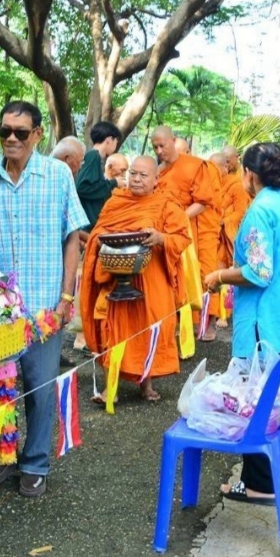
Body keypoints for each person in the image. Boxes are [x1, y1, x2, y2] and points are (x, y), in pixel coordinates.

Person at [0, 100, 88, 497]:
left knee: (39, 389)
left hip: (44, 308)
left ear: (38, 134)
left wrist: (66, 297)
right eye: (5, 131)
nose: (12, 139)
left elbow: (72, 236)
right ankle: (2, 459)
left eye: (21, 132)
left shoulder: (57, 176)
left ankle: (35, 463)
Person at [204, 143, 280, 504]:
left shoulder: (261, 210)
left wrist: (219, 276)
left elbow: (258, 272)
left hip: (267, 320)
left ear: (249, 175)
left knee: (258, 401)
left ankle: (259, 483)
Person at [80, 156, 191, 402]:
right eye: (133, 173)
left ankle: (146, 385)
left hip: (152, 280)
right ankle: (111, 388)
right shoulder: (116, 201)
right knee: (114, 329)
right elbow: (99, 231)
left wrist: (161, 238)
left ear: (156, 179)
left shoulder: (165, 204)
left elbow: (182, 237)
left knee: (150, 328)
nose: (137, 179)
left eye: (143, 175)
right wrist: (106, 239)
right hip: (115, 277)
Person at [151, 126, 222, 325]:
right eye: (155, 147)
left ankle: (208, 322)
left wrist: (179, 218)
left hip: (195, 228)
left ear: (173, 141)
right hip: (168, 231)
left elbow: (203, 201)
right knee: (175, 276)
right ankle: (181, 321)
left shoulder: (196, 166)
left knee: (203, 273)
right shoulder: (159, 171)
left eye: (162, 146)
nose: (159, 151)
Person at [208, 151, 251, 329]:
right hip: (212, 234)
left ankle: (225, 314)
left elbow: (241, 211)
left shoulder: (237, 185)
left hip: (228, 234)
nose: (212, 172)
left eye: (216, 168)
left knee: (225, 272)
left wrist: (223, 221)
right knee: (213, 271)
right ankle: (214, 311)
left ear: (226, 166)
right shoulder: (208, 184)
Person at [75, 121, 122, 231]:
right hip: (87, 226)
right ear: (109, 140)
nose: (116, 146)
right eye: (116, 142)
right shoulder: (93, 156)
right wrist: (114, 182)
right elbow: (82, 188)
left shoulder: (95, 157)